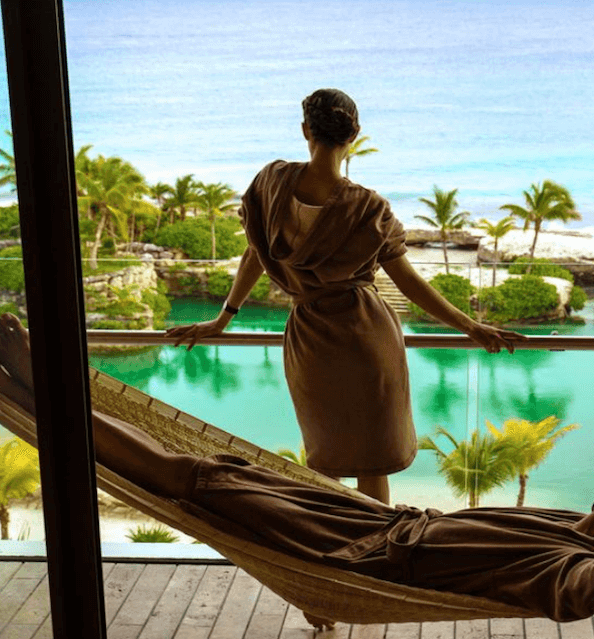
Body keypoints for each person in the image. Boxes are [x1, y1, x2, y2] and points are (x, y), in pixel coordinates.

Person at [0, 315, 594, 624]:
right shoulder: (577, 530)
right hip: (375, 521)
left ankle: (46, 395)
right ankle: (43, 395)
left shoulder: (577, 564)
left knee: (193, 479)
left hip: (358, 553)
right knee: (217, 466)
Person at [165, 88, 523, 505]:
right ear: (354, 135)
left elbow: (254, 254)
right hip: (367, 337)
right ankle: (376, 543)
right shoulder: (368, 208)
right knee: (373, 464)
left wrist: (224, 318)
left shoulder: (271, 183)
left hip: (309, 338)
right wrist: (471, 327)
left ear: (306, 130)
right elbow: (409, 283)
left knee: (325, 458)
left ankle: (330, 536)